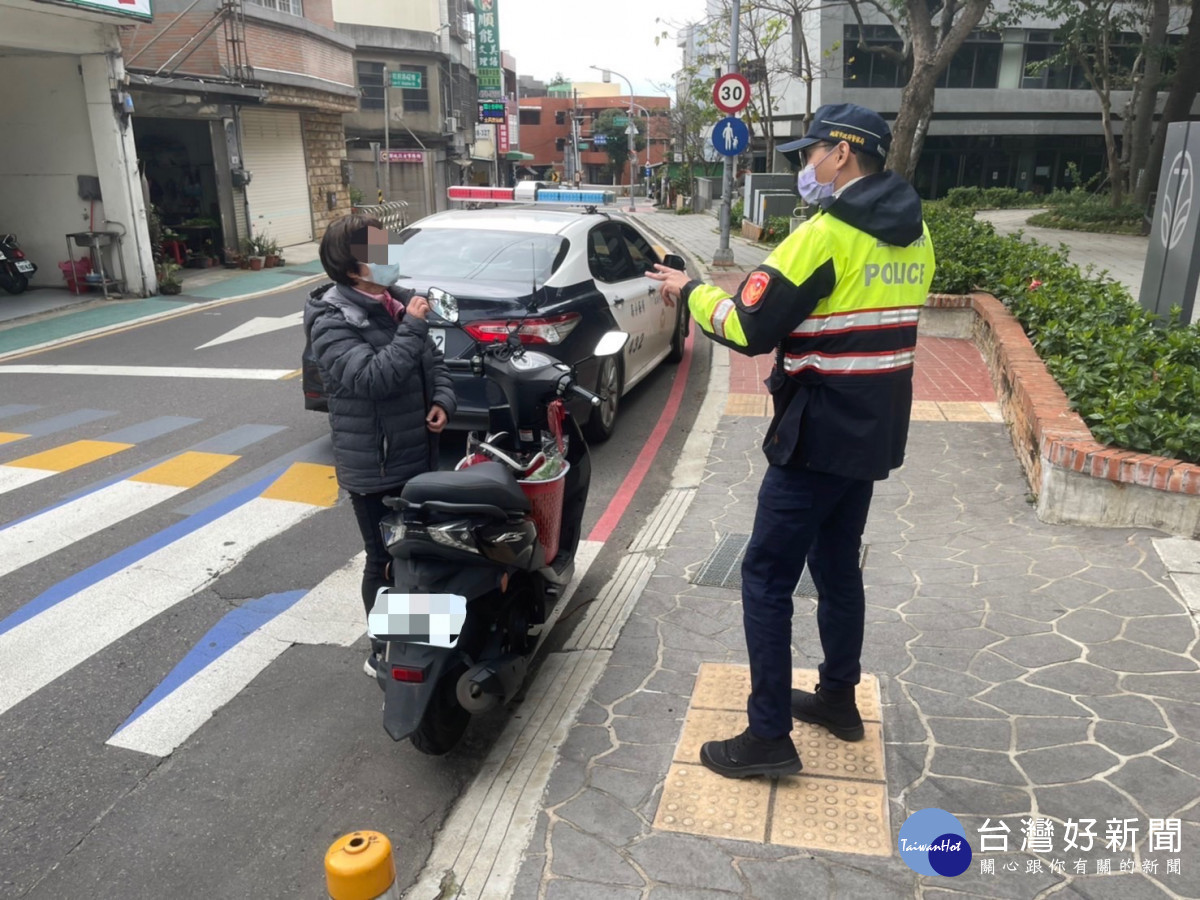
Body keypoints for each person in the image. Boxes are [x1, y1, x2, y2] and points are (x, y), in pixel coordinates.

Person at [648, 103, 936, 778]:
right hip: (874, 428)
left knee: (766, 577)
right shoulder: (917, 233)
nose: (807, 166)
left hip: (815, 433)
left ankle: (768, 736)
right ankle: (838, 696)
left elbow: (749, 327)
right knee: (837, 569)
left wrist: (691, 291)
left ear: (842, 153)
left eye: (811, 154)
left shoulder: (824, 235)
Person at [304, 213, 457, 676]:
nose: (391, 255)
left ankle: (421, 647)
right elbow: (372, 379)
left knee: (421, 552)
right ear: (353, 268)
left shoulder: (396, 302)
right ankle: (385, 653)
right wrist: (411, 328)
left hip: (417, 453)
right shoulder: (331, 320)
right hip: (376, 463)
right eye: (379, 250)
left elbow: (433, 363)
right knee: (387, 559)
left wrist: (443, 400)